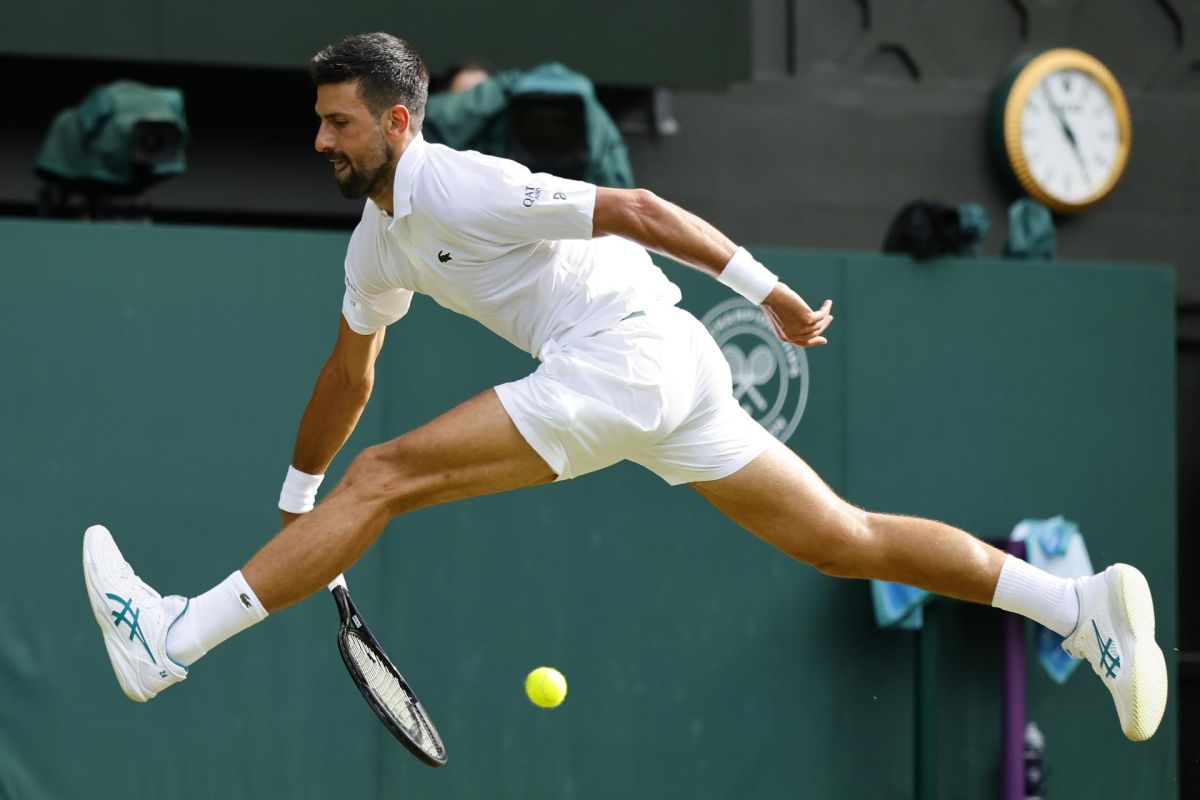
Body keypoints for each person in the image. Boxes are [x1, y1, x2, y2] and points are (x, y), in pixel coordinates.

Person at [82, 32, 1168, 743]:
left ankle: (169, 639)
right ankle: (1078, 607)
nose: (321, 138)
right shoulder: (378, 243)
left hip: (636, 354)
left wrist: (770, 288)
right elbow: (349, 368)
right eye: (316, 121)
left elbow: (640, 207)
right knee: (847, 538)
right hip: (666, 377)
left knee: (388, 477)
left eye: (340, 121)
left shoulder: (471, 184)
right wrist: (297, 483)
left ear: (400, 120)